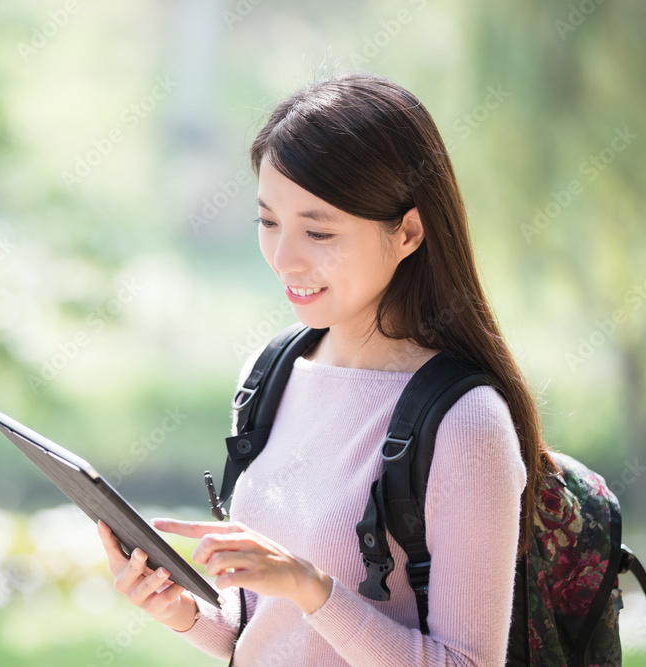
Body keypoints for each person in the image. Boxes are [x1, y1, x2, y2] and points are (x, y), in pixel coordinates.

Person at [96, 72, 556, 665]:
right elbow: (266, 632)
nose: (285, 258)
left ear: (409, 231)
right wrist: (182, 612)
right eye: (268, 222)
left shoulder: (465, 423)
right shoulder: (270, 374)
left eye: (318, 230)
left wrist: (311, 588)